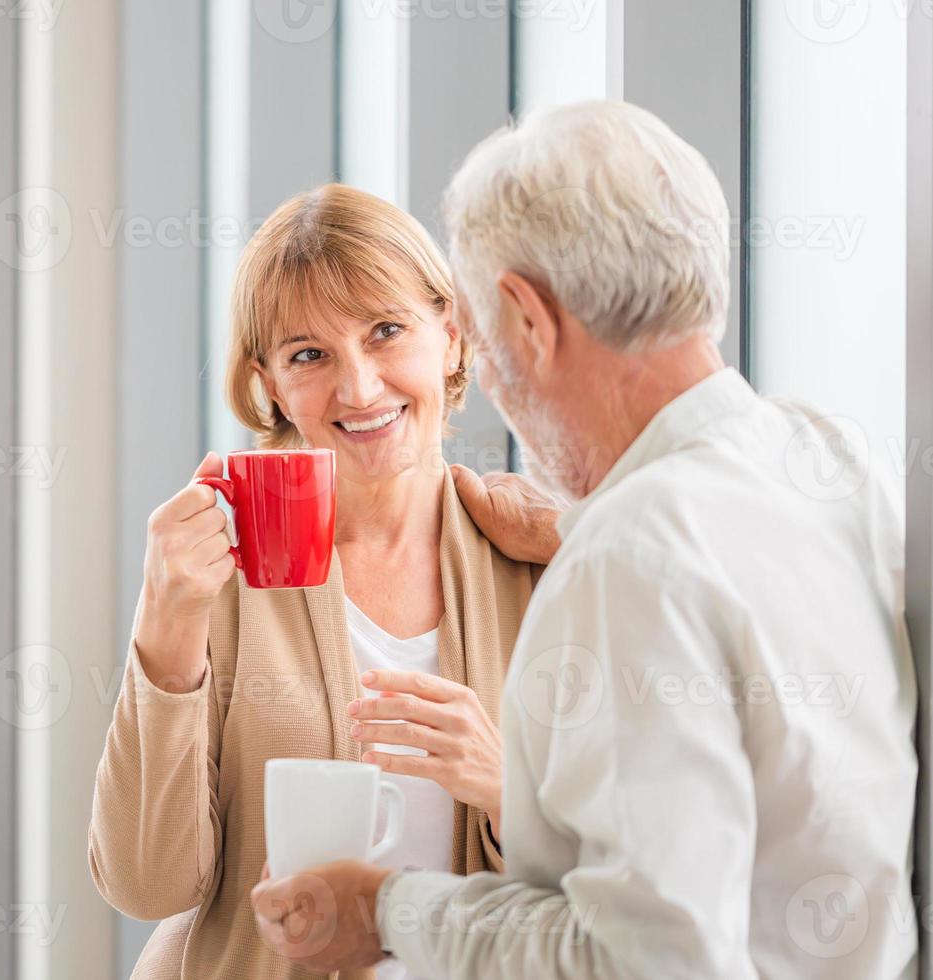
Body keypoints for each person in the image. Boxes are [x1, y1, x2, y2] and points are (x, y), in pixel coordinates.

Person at [252, 100, 919, 979]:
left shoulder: (626, 558)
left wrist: (385, 909)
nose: (484, 376)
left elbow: (642, 958)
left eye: (483, 341)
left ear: (527, 319)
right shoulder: (832, 464)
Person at [88, 183, 545, 979]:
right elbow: (144, 881)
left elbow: (632, 892)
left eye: (386, 332)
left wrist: (508, 792)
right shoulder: (217, 576)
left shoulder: (538, 566)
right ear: (269, 382)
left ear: (452, 335)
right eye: (309, 354)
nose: (359, 387)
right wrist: (165, 623)